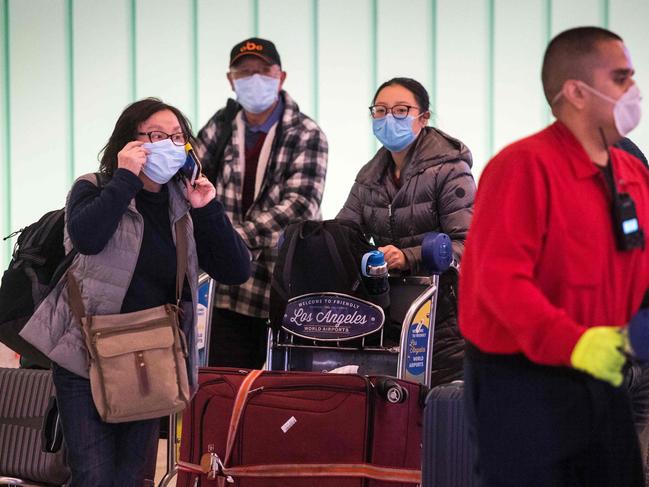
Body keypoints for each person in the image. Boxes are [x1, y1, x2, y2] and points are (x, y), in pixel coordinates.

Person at [20, 98, 251, 486]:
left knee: (130, 476)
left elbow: (236, 270)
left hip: (150, 354)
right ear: (130, 143)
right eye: (157, 136)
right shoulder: (93, 188)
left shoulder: (183, 201)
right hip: (85, 354)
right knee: (93, 477)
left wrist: (208, 208)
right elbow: (88, 238)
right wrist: (126, 178)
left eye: (178, 137)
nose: (170, 145)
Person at [459, 26, 649, 487]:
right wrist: (575, 343)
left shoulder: (632, 176)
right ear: (576, 92)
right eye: (621, 78)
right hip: (523, 382)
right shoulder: (522, 167)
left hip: (603, 375)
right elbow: (499, 284)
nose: (634, 91)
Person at [194, 37, 328, 369]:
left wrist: (232, 238)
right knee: (223, 383)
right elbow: (189, 180)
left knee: (276, 393)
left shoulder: (306, 133)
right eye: (244, 72)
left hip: (282, 288)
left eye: (262, 71)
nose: (254, 79)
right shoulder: (220, 126)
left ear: (280, 77)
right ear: (231, 80)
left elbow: (301, 206)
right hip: (224, 291)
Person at [337, 77, 476, 386]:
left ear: (423, 118)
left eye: (401, 110)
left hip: (444, 322)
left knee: (440, 422)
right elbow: (343, 233)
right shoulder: (369, 177)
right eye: (381, 111)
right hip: (387, 319)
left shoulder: (451, 169)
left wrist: (408, 256)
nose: (389, 119)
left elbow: (468, 245)